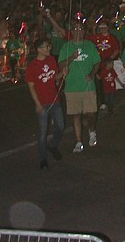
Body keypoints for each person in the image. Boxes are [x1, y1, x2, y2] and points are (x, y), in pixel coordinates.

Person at [57, 19, 101, 151]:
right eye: (75, 29)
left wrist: (92, 74)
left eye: (81, 29)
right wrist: (71, 57)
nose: (78, 31)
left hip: (88, 85)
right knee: (75, 114)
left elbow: (97, 62)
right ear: (71, 31)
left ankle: (92, 131)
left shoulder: (89, 45)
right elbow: (60, 65)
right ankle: (78, 141)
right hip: (72, 87)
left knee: (91, 113)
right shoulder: (66, 47)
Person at [25, 37, 64, 169]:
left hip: (54, 100)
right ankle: (43, 159)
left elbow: (54, 77)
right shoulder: (32, 66)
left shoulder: (52, 60)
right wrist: (37, 104)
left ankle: (52, 145)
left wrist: (62, 74)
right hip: (42, 102)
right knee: (43, 132)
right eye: (46, 46)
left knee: (60, 126)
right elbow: (31, 86)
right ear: (39, 49)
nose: (49, 49)